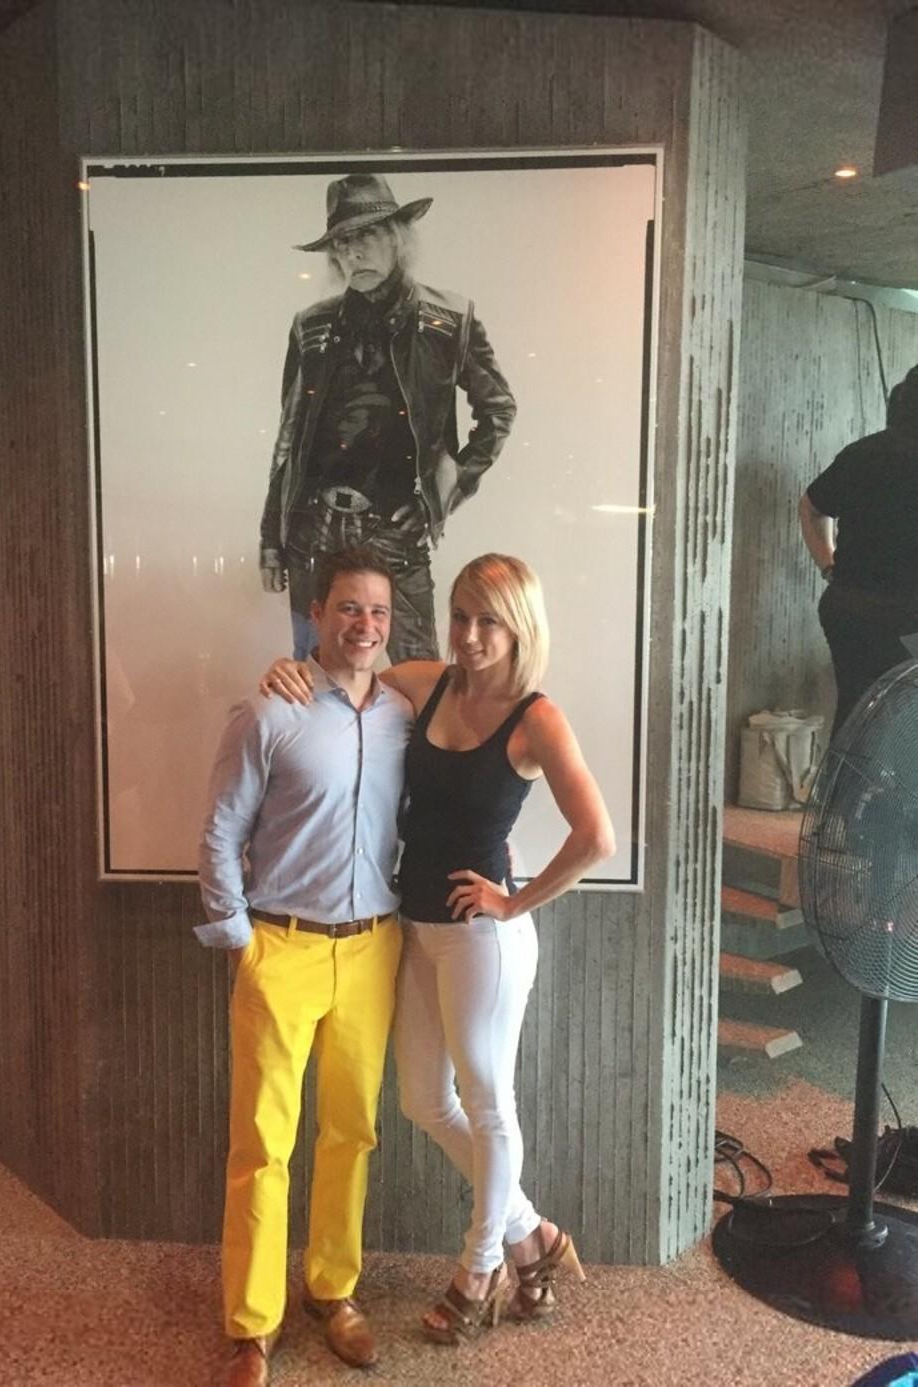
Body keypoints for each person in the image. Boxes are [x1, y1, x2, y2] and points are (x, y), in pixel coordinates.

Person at [262, 553, 615, 1344]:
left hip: (483, 941)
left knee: (489, 1102)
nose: (470, 635)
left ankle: (480, 1268)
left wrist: (516, 899)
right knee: (424, 1099)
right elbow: (345, 675)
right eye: (460, 616)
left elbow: (597, 836)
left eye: (489, 621)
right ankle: (532, 1235)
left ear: (520, 627)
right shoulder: (428, 683)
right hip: (414, 927)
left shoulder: (536, 717)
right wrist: (288, 670)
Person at [196, 548, 413, 1387]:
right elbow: (221, 828)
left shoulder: (402, 715)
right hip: (280, 946)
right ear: (316, 613)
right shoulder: (269, 710)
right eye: (349, 607)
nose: (365, 625)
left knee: (352, 1131)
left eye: (379, 611)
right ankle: (252, 1326)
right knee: (262, 1143)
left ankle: (333, 1288)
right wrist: (237, 936)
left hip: (372, 947)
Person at [259, 172, 517, 664]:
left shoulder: (449, 322)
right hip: (314, 530)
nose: (354, 253)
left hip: (397, 530)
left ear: (398, 238)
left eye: (367, 235)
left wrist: (439, 498)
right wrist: (272, 538)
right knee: (316, 678)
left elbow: (498, 410)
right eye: (342, 242)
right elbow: (289, 437)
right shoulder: (312, 326)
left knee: (420, 679)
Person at [800, 365, 918, 736]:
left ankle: (845, 774)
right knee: (903, 724)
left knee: (856, 713)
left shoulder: (862, 452)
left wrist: (828, 564)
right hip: (907, 618)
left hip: (851, 609)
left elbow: (811, 507)